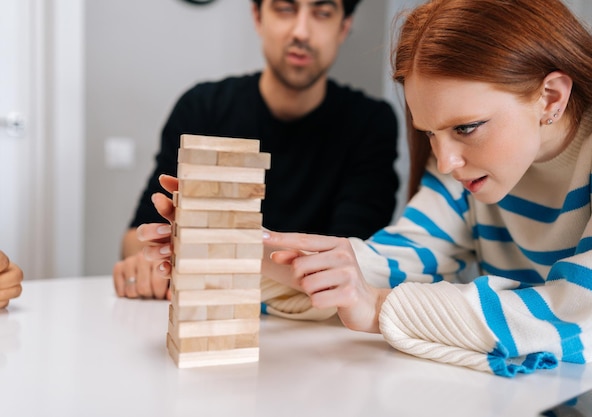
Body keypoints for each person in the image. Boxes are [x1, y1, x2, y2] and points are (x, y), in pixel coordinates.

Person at [143, 0, 592, 378]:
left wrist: (376, 307)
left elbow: (580, 316)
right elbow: (396, 259)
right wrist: (236, 252)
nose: (446, 161)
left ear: (551, 97)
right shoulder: (460, 161)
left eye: (466, 128)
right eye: (431, 134)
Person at [112, 0, 399, 300]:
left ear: (344, 27)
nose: (301, 32)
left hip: (318, 326)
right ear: (258, 16)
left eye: (322, 12)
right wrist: (145, 264)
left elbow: (349, 259)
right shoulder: (201, 109)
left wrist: (213, 249)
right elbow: (139, 237)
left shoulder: (370, 123)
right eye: (285, 8)